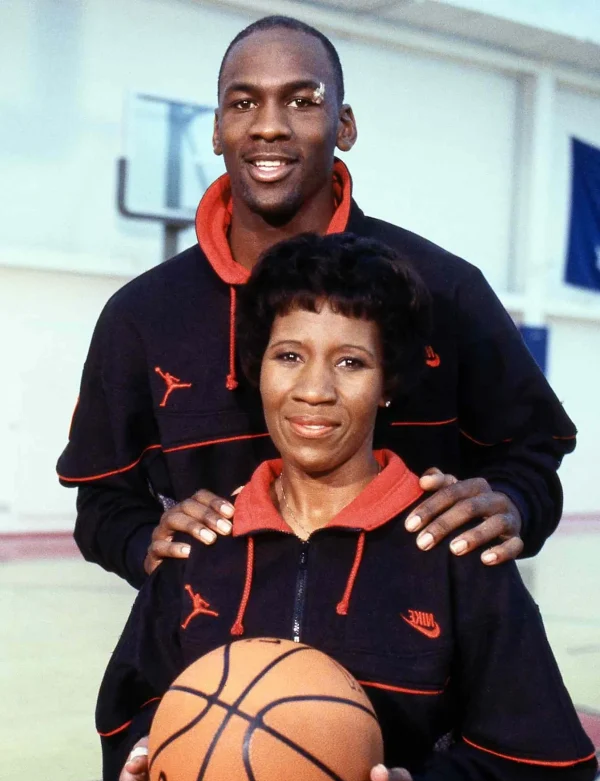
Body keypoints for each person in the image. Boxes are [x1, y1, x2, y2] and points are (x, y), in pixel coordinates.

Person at [57, 15, 576, 589]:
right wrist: (142, 545)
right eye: (244, 103)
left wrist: (513, 504)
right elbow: (103, 501)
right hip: (221, 662)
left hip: (415, 657)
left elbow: (531, 453)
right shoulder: (141, 315)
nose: (270, 126)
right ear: (216, 129)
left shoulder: (443, 290)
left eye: (302, 101)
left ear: (344, 125)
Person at [98, 234, 596, 781]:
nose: (314, 390)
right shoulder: (202, 545)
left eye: (351, 363)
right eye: (289, 356)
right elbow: (131, 713)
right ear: (257, 369)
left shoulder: (453, 550)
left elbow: (546, 763)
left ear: (388, 384)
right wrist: (142, 762)